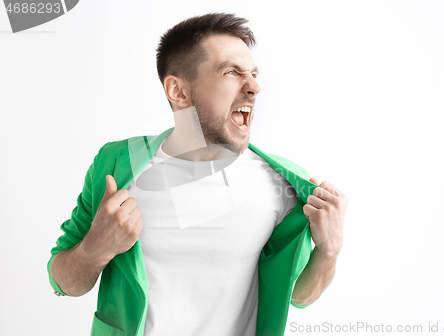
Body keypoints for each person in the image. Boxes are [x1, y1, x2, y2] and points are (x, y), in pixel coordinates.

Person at [47, 12, 348, 336]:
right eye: (231, 72)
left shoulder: (284, 185)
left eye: (254, 74)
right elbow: (62, 282)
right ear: (178, 91)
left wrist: (328, 251)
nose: (255, 87)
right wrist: (96, 247)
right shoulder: (115, 166)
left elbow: (300, 295)